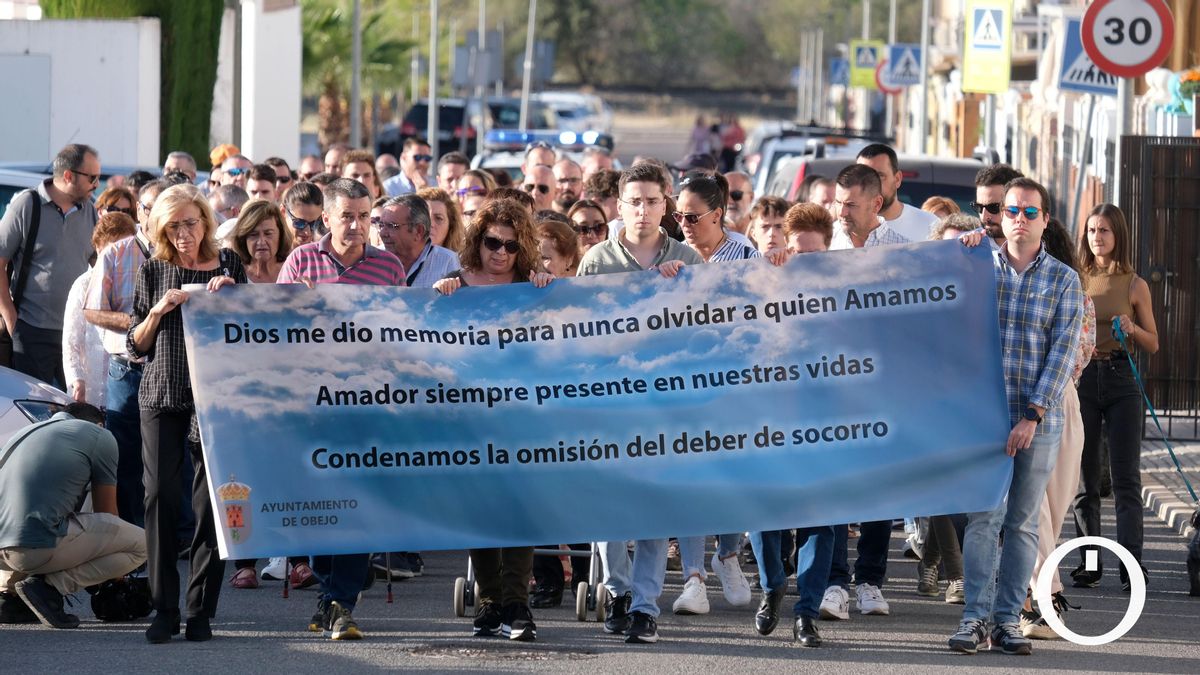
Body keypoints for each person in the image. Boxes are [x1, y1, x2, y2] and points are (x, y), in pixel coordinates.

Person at [949, 177, 1083, 656]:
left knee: (1024, 523)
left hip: (1036, 421)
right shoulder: (975, 265)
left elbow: (1062, 353)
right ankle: (974, 619)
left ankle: (1008, 620)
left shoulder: (1064, 280)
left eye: (1030, 212)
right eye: (1011, 211)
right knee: (985, 518)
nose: (1019, 220)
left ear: (1045, 219)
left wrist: (1032, 415)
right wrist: (958, 249)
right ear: (999, 216)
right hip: (984, 418)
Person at [577, 164, 702, 644]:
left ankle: (646, 606)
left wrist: (681, 290)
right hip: (609, 404)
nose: (643, 210)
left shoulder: (687, 259)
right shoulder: (597, 260)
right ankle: (618, 591)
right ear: (619, 205)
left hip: (666, 404)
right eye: (634, 201)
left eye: (652, 201)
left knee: (654, 508)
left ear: (666, 203)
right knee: (609, 508)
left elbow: (705, 328)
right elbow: (578, 329)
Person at [278, 179, 405, 640]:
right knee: (318, 509)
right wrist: (300, 308)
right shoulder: (301, 261)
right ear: (326, 218)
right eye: (347, 216)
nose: (356, 225)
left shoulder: (389, 266)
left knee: (358, 503)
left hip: (366, 403)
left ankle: (341, 602)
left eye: (364, 216)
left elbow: (401, 333)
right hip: (310, 404)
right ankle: (326, 589)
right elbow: (273, 331)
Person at [128, 184, 246, 643]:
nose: (183, 233)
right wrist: (159, 310)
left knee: (210, 504)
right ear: (160, 227)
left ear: (206, 222)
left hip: (215, 396)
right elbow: (136, 343)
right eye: (173, 225)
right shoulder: (154, 268)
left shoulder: (230, 263)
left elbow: (249, 326)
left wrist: (231, 297)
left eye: (191, 222)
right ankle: (164, 607)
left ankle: (199, 609)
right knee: (158, 494)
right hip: (162, 391)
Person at [433, 198, 553, 641]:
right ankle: (489, 599)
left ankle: (517, 603)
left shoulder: (534, 285)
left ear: (522, 248)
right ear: (477, 242)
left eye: (510, 245)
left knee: (520, 510)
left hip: (523, 416)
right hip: (468, 417)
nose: (500, 253)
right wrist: (442, 298)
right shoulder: (456, 285)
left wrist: (547, 289)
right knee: (480, 511)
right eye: (491, 243)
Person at [819, 164, 908, 624]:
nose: (842, 211)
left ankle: (870, 579)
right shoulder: (824, 246)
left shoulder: (903, 251)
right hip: (830, 385)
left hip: (882, 386)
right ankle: (834, 583)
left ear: (876, 203)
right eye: (839, 201)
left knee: (878, 487)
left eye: (851, 203)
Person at [748, 203, 835, 647]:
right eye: (795, 251)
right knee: (765, 512)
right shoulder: (762, 285)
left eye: (813, 254)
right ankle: (772, 585)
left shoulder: (847, 294)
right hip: (769, 421)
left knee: (821, 520)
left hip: (827, 425)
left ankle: (806, 613)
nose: (803, 261)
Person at [1071, 203, 1159, 591]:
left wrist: (1132, 328)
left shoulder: (1135, 284)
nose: (1097, 237)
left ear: (1118, 235)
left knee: (1126, 479)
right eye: (1092, 231)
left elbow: (1153, 343)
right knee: (1085, 480)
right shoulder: (1075, 278)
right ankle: (1090, 564)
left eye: (1104, 230)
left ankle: (1131, 567)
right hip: (1085, 377)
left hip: (1123, 376)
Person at [0, 402, 147, 629]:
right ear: (99, 424)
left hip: (3, 554)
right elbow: (107, 514)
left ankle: (7, 598)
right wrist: (116, 576)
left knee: (28, 516)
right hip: (31, 551)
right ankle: (51, 588)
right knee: (144, 545)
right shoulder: (100, 435)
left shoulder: (24, 433)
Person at [1019, 217, 1095, 639]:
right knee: (1034, 511)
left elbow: (1079, 352)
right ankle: (1043, 603)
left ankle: (1033, 601)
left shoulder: (1073, 291)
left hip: (1060, 399)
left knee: (1051, 508)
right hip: (1034, 398)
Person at [0, 143, 100, 389]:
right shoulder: (28, 205)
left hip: (77, 333)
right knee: (33, 409)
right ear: (68, 176)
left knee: (76, 413)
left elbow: (98, 265)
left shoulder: (90, 211)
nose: (97, 184)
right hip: (32, 332)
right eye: (93, 178)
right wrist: (12, 320)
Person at [63, 213, 136, 407]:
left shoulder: (137, 281)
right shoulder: (84, 284)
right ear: (98, 247)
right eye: (111, 248)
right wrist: (76, 379)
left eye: (124, 248)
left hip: (126, 383)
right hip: (92, 387)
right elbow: (71, 340)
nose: (116, 255)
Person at [855, 144, 938, 242]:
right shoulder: (842, 230)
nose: (870, 184)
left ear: (897, 179)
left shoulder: (930, 226)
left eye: (880, 176)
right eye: (863, 177)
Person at [379, 193, 460, 289]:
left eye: (392, 226)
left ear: (418, 231)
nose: (383, 233)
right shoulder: (374, 258)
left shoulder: (447, 261)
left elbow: (456, 302)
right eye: (381, 225)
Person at [230, 200, 295, 285]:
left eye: (268, 234)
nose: (261, 242)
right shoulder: (233, 274)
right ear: (243, 238)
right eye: (253, 234)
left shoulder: (293, 270)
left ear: (281, 235)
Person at [972, 164, 1023, 246]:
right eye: (979, 207)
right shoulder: (969, 248)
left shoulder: (1047, 247)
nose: (984, 216)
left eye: (993, 208)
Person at [416, 187, 466, 254]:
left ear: (451, 226)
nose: (430, 224)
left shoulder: (458, 263)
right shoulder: (398, 260)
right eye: (423, 216)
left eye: (438, 218)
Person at [283, 181, 325, 246]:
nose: (307, 232)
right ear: (283, 212)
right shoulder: (269, 251)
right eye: (300, 223)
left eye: (315, 224)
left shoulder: (324, 253)